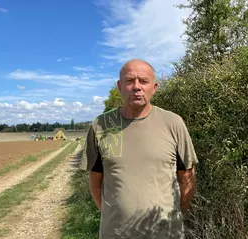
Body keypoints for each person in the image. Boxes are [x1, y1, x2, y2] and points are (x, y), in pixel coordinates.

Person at [85, 59, 199, 239]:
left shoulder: (173, 123)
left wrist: (172, 218)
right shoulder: (101, 125)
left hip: (166, 234)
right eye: (130, 81)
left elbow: (187, 180)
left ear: (154, 87)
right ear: (119, 86)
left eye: (143, 81)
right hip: (114, 234)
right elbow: (95, 183)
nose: (136, 87)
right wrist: (114, 217)